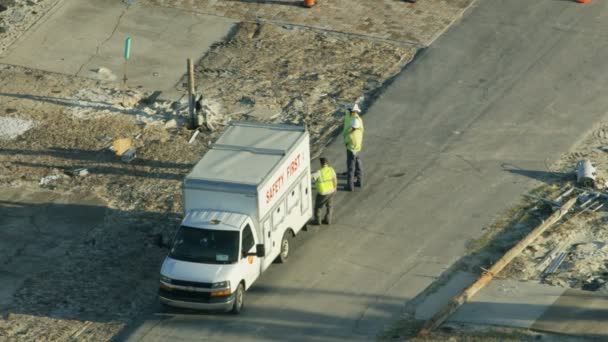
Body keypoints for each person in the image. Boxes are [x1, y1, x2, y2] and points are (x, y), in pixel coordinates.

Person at [311, 157, 337, 225]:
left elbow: (311, 177)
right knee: (329, 206)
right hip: (331, 191)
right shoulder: (331, 170)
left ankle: (317, 221)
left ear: (321, 164)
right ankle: (328, 220)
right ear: (327, 163)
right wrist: (335, 188)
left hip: (322, 193)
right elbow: (334, 180)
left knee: (318, 207)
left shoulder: (319, 172)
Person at [344, 105, 364, 191]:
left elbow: (346, 141)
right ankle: (359, 181)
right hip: (358, 148)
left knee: (350, 168)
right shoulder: (359, 129)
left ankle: (350, 186)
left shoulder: (351, 135)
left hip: (351, 150)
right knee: (358, 164)